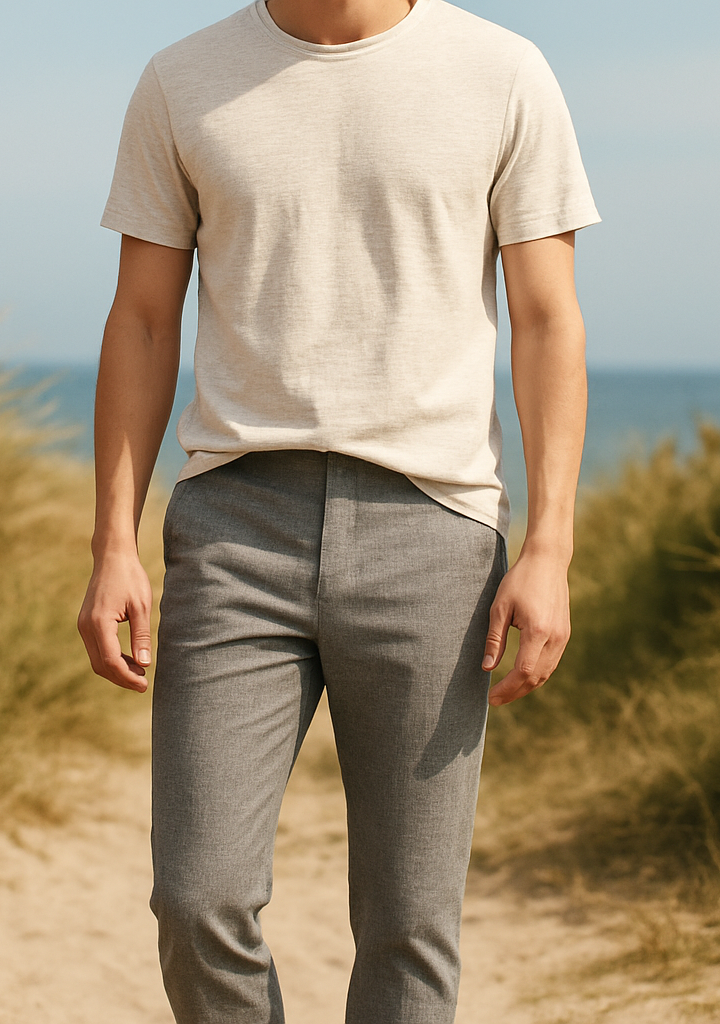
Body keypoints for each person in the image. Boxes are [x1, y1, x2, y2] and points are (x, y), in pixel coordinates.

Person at [77, 0, 599, 1020]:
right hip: (233, 528)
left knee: (410, 926)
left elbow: (546, 319)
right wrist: (113, 542)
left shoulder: (503, 72)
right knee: (197, 898)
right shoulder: (183, 79)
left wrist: (549, 546)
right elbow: (142, 318)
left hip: (434, 532)